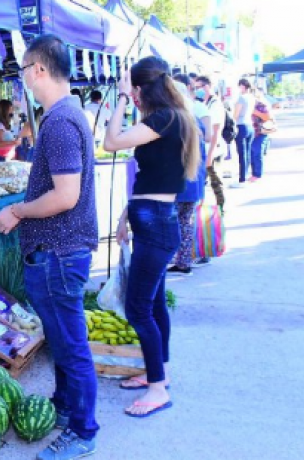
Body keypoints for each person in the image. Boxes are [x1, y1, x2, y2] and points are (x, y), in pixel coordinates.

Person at [0, 34, 99, 459]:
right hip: (60, 250)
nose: (22, 78)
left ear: (38, 69)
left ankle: (83, 432)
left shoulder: (59, 121)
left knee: (72, 346)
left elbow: (66, 195)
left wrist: (17, 211)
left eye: (22, 69)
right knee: (62, 340)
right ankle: (66, 407)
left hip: (59, 251)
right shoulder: (68, 115)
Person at [103, 56, 200, 417]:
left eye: (135, 89)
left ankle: (158, 388)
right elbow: (152, 178)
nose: (134, 97)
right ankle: (158, 372)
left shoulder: (165, 119)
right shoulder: (169, 118)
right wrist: (125, 215)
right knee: (154, 304)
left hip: (157, 224)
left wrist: (122, 98)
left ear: (143, 88)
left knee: (138, 308)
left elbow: (111, 142)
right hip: (152, 219)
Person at [167, 76, 210, 276]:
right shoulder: (194, 122)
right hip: (193, 183)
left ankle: (175, 260)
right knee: (185, 223)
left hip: (178, 183)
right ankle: (184, 262)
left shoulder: (176, 122)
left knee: (172, 223)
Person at [194, 76, 227, 215]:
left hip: (214, 149)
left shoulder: (215, 104)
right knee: (203, 182)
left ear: (207, 86)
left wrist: (210, 155)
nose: (197, 90)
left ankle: (220, 211)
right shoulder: (205, 102)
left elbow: (216, 130)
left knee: (216, 182)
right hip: (206, 150)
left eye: (199, 87)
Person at [231, 78, 255, 188]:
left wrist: (232, 122)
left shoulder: (241, 98)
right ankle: (245, 175)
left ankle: (242, 179)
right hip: (249, 125)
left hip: (241, 125)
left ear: (243, 86)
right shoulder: (252, 98)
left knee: (241, 153)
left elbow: (236, 114)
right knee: (247, 152)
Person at [249, 89, 276, 182]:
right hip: (251, 132)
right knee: (252, 154)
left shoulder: (261, 105)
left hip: (260, 132)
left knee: (257, 153)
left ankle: (257, 174)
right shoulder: (247, 104)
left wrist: (254, 111)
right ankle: (254, 173)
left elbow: (267, 117)